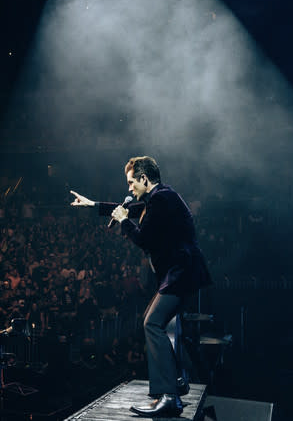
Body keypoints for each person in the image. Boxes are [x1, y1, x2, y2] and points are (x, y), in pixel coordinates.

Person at [71, 156, 212, 417]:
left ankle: (170, 396)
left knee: (152, 323)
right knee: (152, 320)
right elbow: (133, 210)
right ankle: (177, 382)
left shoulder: (161, 199)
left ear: (144, 179)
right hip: (181, 273)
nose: (128, 189)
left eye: (131, 182)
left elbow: (144, 239)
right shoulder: (159, 198)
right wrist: (93, 204)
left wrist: (124, 222)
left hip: (182, 273)